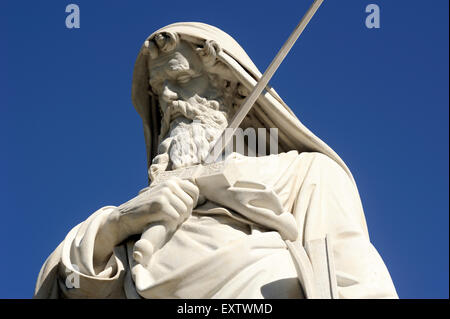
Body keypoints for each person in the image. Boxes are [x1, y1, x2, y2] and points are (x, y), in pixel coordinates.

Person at [34, 22, 398, 299]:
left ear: (229, 87)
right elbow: (67, 287)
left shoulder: (305, 173)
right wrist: (116, 225)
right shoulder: (140, 216)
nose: (170, 99)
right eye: (159, 89)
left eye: (182, 79)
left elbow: (355, 277)